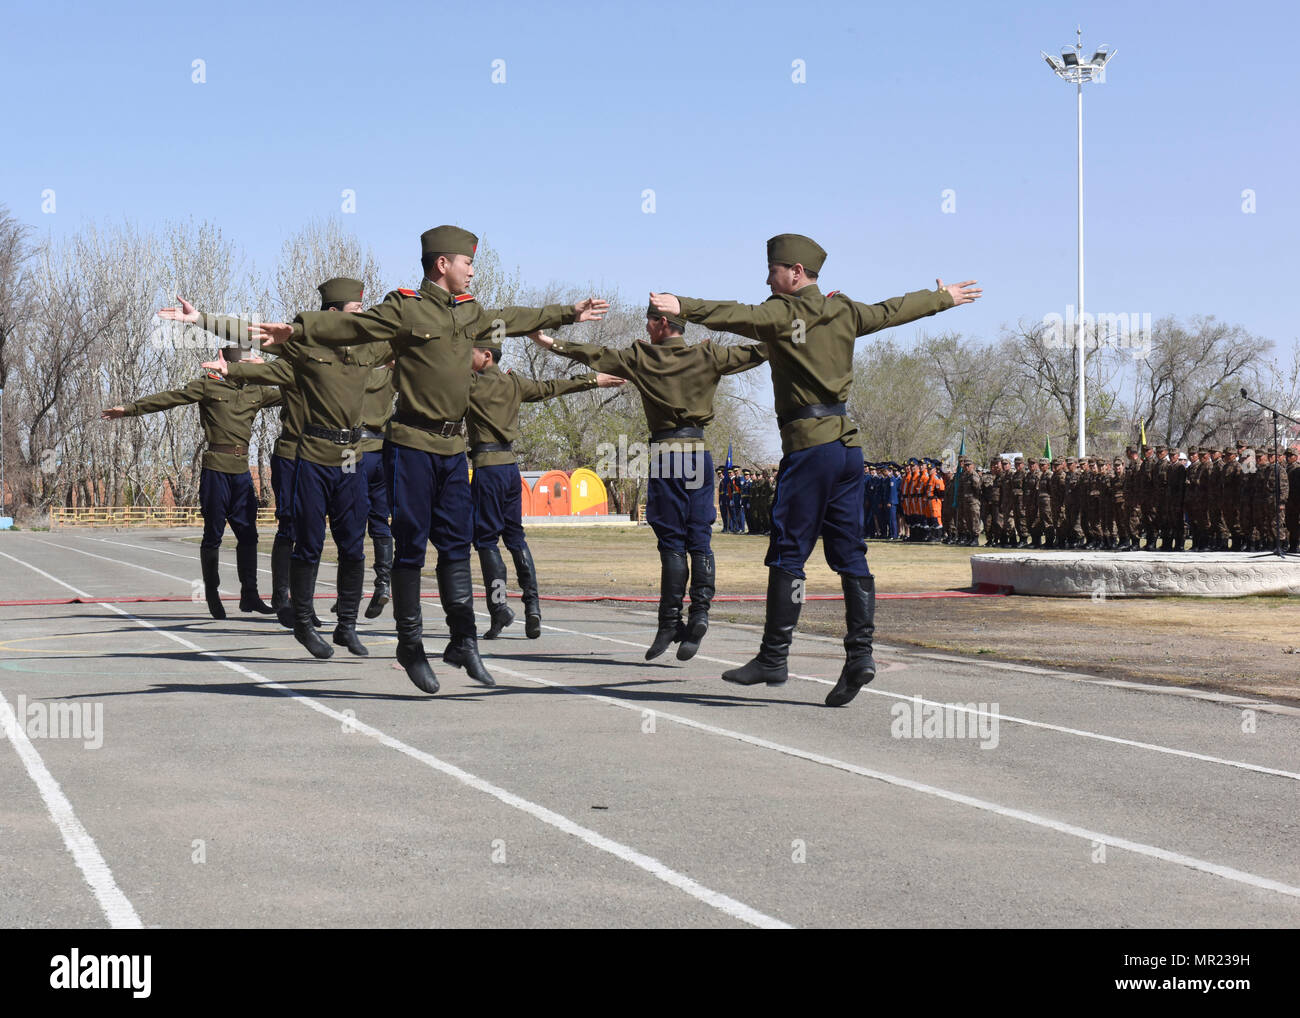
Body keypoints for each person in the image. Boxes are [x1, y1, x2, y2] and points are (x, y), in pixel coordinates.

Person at [251, 225, 609, 694]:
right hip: (412, 445)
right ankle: (411, 644)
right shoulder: (404, 308)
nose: (473, 271)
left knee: (458, 547)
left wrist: (568, 313)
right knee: (413, 549)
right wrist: (299, 329)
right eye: (468, 263)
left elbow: (512, 318)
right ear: (443, 264)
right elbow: (354, 326)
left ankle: (463, 640)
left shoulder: (470, 313)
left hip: (454, 449)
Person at [649, 233, 980, 706]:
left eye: (773, 270)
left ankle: (773, 657)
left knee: (788, 552)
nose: (768, 278)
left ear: (796, 273)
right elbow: (891, 310)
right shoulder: (843, 311)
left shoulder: (784, 314)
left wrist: (682, 304)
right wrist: (942, 298)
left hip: (809, 449)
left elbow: (734, 314)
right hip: (848, 450)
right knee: (850, 554)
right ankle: (860, 655)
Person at [531, 301, 768, 661]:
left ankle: (670, 621)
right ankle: (699, 613)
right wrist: (801, 328)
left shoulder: (643, 358)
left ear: (661, 323)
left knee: (672, 542)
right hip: (699, 455)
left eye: (649, 322)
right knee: (699, 538)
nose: (646, 328)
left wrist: (549, 342)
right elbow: (758, 352)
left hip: (666, 456)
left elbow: (596, 355)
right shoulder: (709, 355)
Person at [212, 318, 392, 659]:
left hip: (352, 457)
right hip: (305, 455)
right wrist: (205, 327)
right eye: (350, 315)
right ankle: (299, 615)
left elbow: (417, 337)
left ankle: (347, 624)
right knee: (302, 535)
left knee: (353, 544)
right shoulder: (306, 359)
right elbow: (264, 353)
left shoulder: (367, 357)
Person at [102, 341, 281, 619]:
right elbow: (170, 398)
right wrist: (130, 409)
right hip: (216, 470)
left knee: (249, 536)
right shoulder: (208, 386)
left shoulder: (257, 391)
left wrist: (274, 367)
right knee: (213, 536)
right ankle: (212, 592)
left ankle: (250, 596)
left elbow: (295, 390)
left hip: (242, 472)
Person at [467, 336, 622, 639]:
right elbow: (552, 387)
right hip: (512, 470)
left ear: (486, 355)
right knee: (515, 538)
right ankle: (533, 607)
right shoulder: (514, 383)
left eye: (469, 352)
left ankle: (499, 608)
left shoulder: (470, 384)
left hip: (487, 468)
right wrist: (593, 380)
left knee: (486, 541)